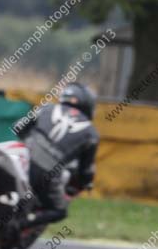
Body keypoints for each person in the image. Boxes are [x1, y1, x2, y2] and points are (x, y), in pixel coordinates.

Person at [11, 82, 99, 229]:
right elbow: (86, 170)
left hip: (21, 156)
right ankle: (20, 224)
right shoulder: (91, 133)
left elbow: (18, 127)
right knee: (60, 211)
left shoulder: (46, 108)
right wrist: (86, 183)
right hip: (47, 172)